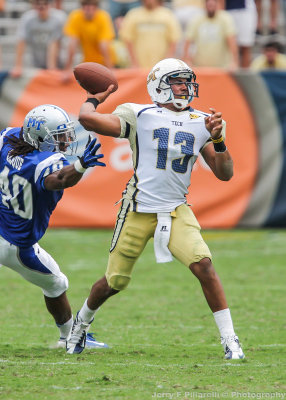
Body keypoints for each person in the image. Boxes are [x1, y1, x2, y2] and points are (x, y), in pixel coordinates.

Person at [66, 57, 245, 360]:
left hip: (176, 210)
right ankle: (80, 325)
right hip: (137, 208)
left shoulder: (204, 121)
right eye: (177, 80)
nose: (185, 86)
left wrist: (219, 139)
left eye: (187, 81)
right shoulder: (139, 114)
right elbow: (89, 120)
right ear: (159, 85)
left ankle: (230, 340)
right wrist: (93, 98)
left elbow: (225, 173)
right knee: (114, 282)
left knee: (204, 265)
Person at [0, 104, 107, 349]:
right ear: (40, 138)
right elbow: (57, 180)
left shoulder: (9, 137)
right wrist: (80, 166)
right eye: (58, 137)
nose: (66, 141)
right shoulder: (45, 161)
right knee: (56, 283)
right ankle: (69, 338)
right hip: (15, 244)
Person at [10, 0, 66, 79]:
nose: (41, 6)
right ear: (33, 4)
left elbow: (54, 44)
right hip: (37, 62)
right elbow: (21, 41)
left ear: (50, 4)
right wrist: (18, 66)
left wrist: (52, 68)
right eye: (38, 3)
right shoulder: (27, 18)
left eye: (45, 3)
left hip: (58, 63)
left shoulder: (58, 18)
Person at [118, 0, 182, 68]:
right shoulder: (133, 14)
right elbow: (127, 40)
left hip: (160, 67)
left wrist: (166, 63)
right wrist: (134, 63)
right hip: (139, 67)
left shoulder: (167, 14)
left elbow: (174, 40)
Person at [63, 0, 115, 81]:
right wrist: (67, 69)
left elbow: (104, 46)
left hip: (105, 62)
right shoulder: (76, 16)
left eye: (91, 5)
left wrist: (110, 69)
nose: (88, 8)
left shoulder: (103, 17)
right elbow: (72, 45)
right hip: (88, 63)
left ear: (96, 7)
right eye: (85, 5)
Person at [183, 0, 238, 69]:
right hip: (200, 67)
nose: (211, 7)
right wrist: (187, 59)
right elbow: (188, 40)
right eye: (209, 4)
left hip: (221, 68)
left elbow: (231, 40)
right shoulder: (197, 19)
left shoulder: (225, 18)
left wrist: (234, 61)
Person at [222, 0, 257, 68]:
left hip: (245, 9)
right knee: (228, 46)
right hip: (227, 10)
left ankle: (245, 75)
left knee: (245, 45)